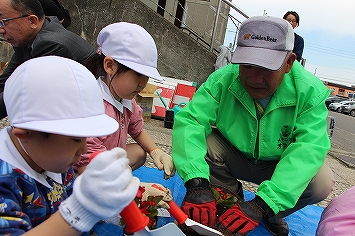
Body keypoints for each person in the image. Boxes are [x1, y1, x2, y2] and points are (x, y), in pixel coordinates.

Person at [172, 16, 334, 236]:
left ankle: (272, 212)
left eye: (267, 68)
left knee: (321, 182)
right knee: (205, 143)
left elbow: (308, 149)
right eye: (247, 65)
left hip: (278, 164)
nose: (255, 78)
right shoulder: (223, 80)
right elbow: (191, 121)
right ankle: (229, 198)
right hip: (236, 155)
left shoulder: (309, 92)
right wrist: (197, 182)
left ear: (289, 63)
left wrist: (263, 204)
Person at [0, 56, 173, 235]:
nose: (84, 149)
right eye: (76, 139)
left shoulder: (54, 161)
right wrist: (80, 210)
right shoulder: (6, 180)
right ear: (26, 134)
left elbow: (69, 195)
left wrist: (113, 206)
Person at [74, 22, 175, 179]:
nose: (143, 83)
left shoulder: (126, 100)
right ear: (109, 66)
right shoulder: (93, 104)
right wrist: (119, 171)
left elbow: (137, 130)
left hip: (110, 155)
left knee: (140, 152)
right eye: (137, 74)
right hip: (89, 163)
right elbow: (87, 156)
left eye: (146, 76)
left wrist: (156, 151)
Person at [0, 0, 95, 119]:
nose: (1, 30)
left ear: (32, 21)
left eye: (3, 22)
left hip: (85, 114)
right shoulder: (29, 37)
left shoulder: (50, 45)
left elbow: (21, 93)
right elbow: (7, 80)